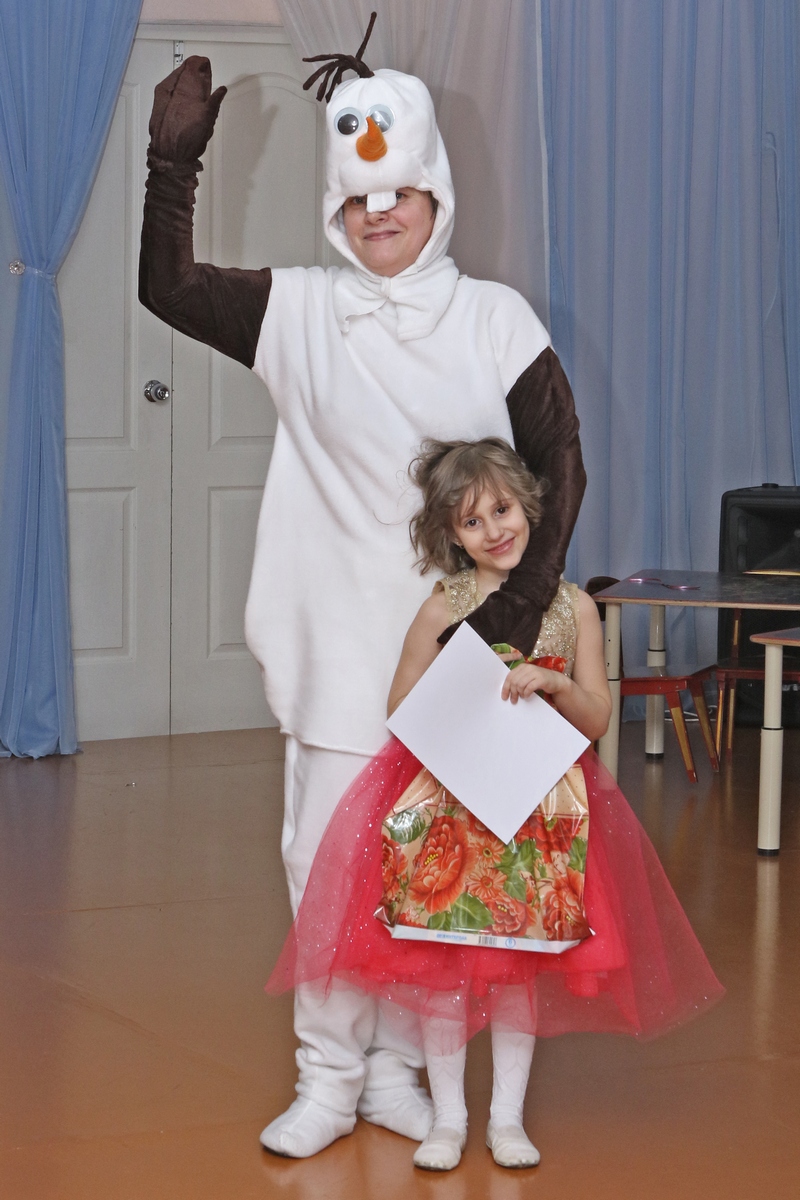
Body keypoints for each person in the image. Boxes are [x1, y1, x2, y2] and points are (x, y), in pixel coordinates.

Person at [139, 21, 586, 1159]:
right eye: (356, 201)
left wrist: (505, 625)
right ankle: (329, 1078)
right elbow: (170, 287)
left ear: (435, 195)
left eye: (398, 196)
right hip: (341, 648)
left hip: (467, 659)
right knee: (328, 868)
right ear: (334, 210)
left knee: (431, 872)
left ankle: (398, 1072)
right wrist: (172, 167)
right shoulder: (295, 310)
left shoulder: (496, 318)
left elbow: (561, 466)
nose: (378, 215)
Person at [268, 438, 725, 1171]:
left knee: (520, 966)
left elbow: (597, 717)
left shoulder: (574, 607)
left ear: (531, 508)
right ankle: (448, 1120)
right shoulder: (443, 605)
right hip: (453, 814)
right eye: (472, 522)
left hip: (540, 814)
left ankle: (505, 1120)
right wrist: (467, 677)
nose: (494, 531)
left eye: (503, 510)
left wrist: (555, 685)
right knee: (446, 971)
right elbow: (401, 707)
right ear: (452, 535)